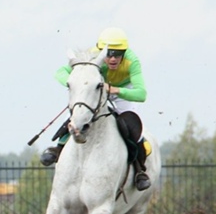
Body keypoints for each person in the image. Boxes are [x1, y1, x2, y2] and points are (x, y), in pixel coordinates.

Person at [40, 26, 151, 191]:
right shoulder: (91, 56)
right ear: (101, 51)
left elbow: (141, 94)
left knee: (132, 126)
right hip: (96, 90)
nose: (113, 59)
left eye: (118, 54)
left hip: (121, 91)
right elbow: (60, 72)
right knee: (79, 113)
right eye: (109, 54)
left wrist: (114, 90)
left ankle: (140, 170)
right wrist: (76, 84)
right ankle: (59, 147)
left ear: (124, 53)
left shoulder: (132, 61)